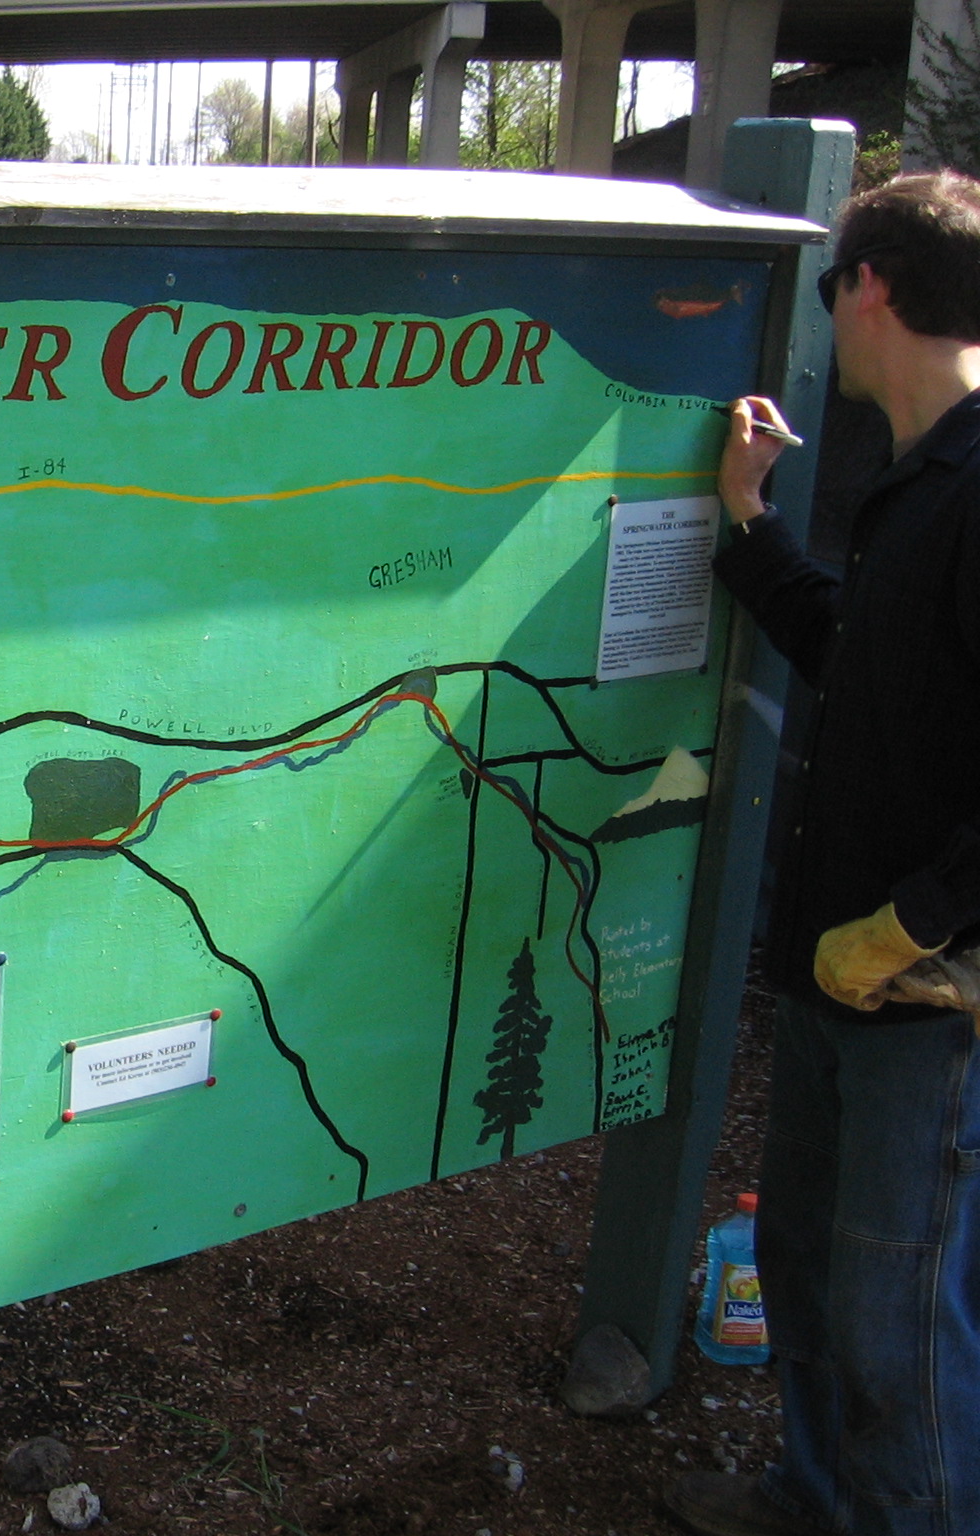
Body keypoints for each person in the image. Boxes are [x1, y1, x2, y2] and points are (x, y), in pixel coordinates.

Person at [665, 171, 980, 1536]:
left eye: (831, 288)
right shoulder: (916, 480)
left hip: (920, 1002)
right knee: (800, 1262)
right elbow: (859, 661)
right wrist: (749, 521)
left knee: (897, 1310)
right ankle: (810, 1498)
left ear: (869, 287)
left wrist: (913, 924)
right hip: (829, 979)